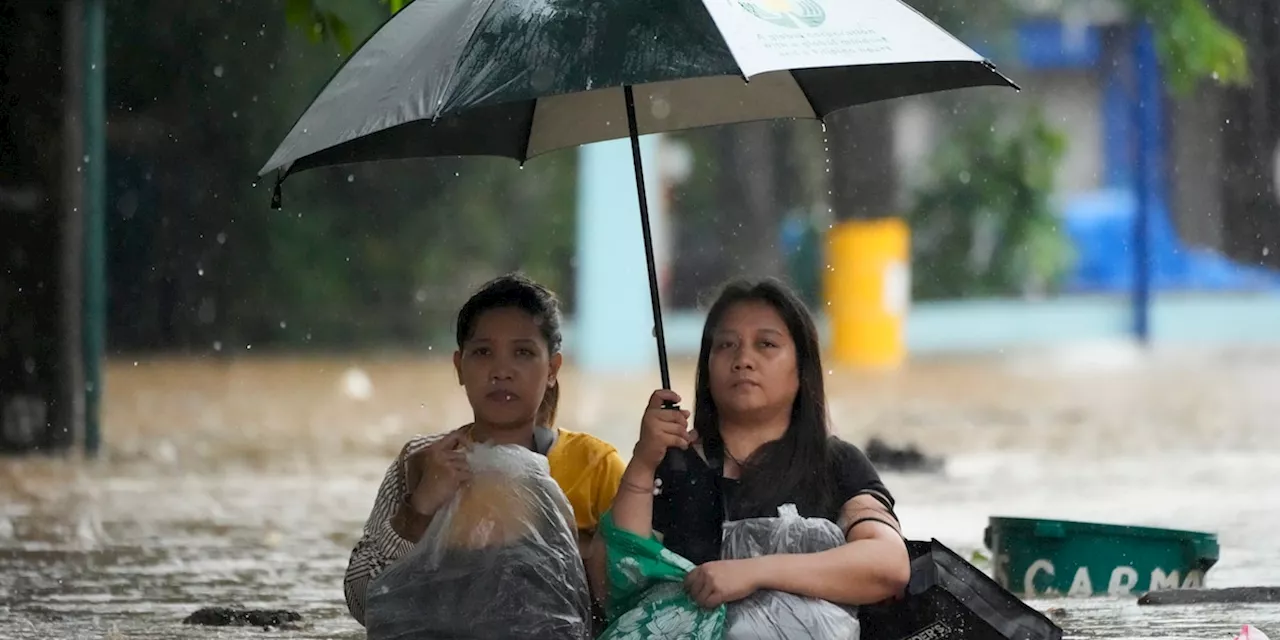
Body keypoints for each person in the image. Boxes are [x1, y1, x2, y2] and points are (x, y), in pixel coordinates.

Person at [602, 278, 910, 610]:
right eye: (726, 345)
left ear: (802, 368)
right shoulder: (671, 465)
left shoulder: (834, 463)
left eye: (766, 344)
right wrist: (643, 461)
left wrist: (754, 573)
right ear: (707, 368)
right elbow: (615, 582)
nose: (743, 359)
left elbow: (888, 563)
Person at [343, 273, 626, 627]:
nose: (501, 370)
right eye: (483, 352)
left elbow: (636, 599)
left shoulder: (596, 466)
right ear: (460, 367)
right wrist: (419, 510)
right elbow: (362, 603)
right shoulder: (423, 461)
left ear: (552, 369)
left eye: (522, 352)